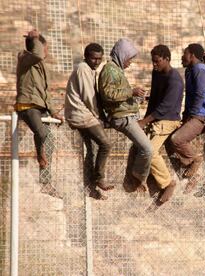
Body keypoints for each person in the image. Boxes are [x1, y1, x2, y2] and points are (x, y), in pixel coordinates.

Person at [98, 38, 153, 193]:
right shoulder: (109, 70)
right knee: (147, 149)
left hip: (128, 115)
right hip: (123, 118)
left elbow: (119, 96)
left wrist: (136, 98)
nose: (130, 62)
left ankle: (132, 179)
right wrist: (131, 91)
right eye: (129, 58)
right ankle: (138, 177)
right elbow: (109, 95)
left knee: (139, 148)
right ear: (122, 55)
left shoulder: (116, 70)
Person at [15, 29, 63, 198]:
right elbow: (37, 54)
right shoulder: (25, 58)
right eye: (45, 48)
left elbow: (45, 92)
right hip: (27, 106)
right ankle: (39, 154)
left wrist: (53, 111)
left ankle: (45, 182)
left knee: (49, 139)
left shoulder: (40, 66)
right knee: (42, 133)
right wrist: (35, 39)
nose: (47, 52)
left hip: (39, 107)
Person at [65, 43, 113, 200]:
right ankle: (99, 178)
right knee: (105, 144)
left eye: (99, 59)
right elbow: (89, 97)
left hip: (81, 113)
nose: (97, 62)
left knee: (92, 150)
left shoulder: (89, 70)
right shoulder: (84, 69)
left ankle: (90, 188)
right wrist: (99, 116)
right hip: (81, 114)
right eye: (93, 58)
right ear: (86, 57)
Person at [138, 45, 184, 203]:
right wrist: (144, 121)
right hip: (155, 119)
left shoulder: (175, 80)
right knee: (139, 148)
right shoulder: (157, 73)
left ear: (167, 59)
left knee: (149, 151)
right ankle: (141, 180)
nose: (154, 65)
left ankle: (167, 183)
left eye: (157, 61)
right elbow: (155, 100)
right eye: (153, 62)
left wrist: (144, 121)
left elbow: (165, 107)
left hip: (168, 120)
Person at [169, 43, 205, 190]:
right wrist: (185, 116)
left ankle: (196, 159)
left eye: (185, 53)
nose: (182, 57)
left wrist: (192, 116)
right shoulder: (191, 70)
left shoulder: (199, 69)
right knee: (169, 141)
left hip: (203, 115)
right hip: (195, 113)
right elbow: (190, 96)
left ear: (192, 55)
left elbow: (199, 94)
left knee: (176, 139)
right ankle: (190, 174)